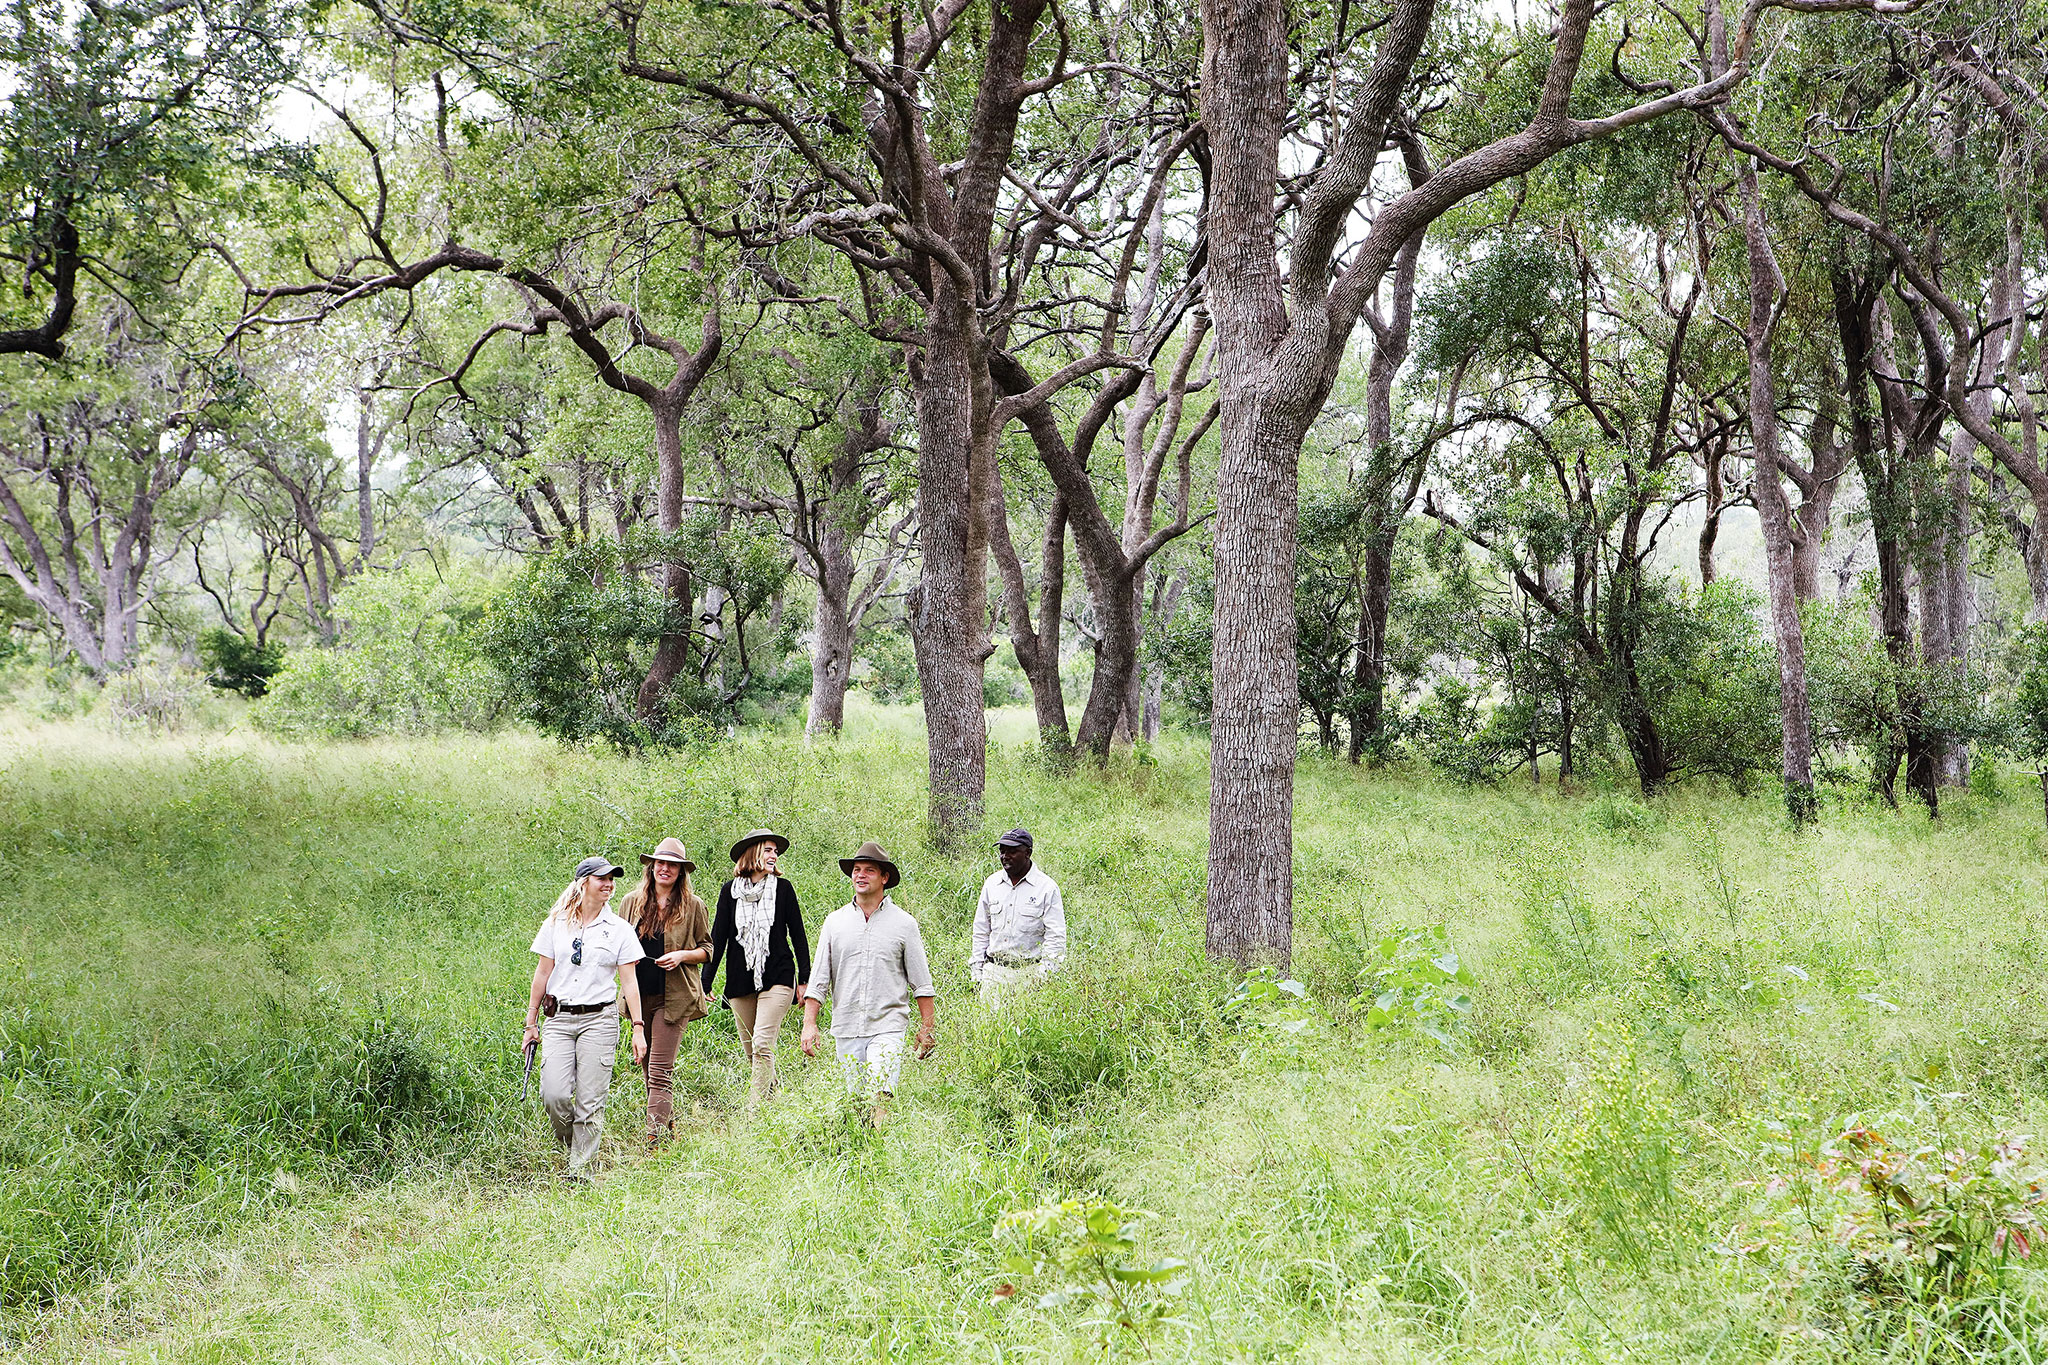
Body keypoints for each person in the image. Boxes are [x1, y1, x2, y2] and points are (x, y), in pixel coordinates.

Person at [522, 856, 647, 1178]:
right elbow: (542, 973)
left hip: (600, 1020)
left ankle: (580, 1171)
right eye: (601, 878)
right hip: (559, 1019)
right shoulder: (556, 924)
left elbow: (629, 982)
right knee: (555, 1095)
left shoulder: (619, 929)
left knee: (590, 1101)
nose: (609, 884)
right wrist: (531, 1022)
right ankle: (573, 1146)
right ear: (583, 883)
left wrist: (637, 1026)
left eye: (612, 879)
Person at [800, 840, 935, 1126]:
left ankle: (879, 1146)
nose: (860, 875)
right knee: (855, 1101)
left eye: (869, 870)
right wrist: (809, 1024)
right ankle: (861, 1155)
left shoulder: (904, 924)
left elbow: (921, 983)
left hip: (888, 1025)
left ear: (884, 877)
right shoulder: (835, 922)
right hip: (846, 1026)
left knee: (881, 1091)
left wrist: (927, 1029)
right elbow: (819, 979)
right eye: (856, 870)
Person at [703, 828, 810, 1108]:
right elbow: (719, 937)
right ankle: (776, 1101)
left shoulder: (783, 890)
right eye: (768, 849)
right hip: (740, 980)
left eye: (776, 851)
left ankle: (754, 1113)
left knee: (763, 1045)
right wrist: (706, 981)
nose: (774, 855)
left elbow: (798, 935)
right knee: (753, 1052)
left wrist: (805, 980)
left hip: (778, 976)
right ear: (752, 854)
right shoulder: (730, 892)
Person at [616, 837, 713, 1140]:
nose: (665, 869)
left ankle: (653, 1143)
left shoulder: (693, 906)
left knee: (659, 1072)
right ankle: (668, 1128)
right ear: (652, 866)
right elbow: (616, 945)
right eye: (661, 862)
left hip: (674, 998)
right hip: (638, 997)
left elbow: (708, 948)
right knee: (648, 1073)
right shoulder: (631, 902)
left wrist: (682, 955)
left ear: (681, 871)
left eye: (672, 864)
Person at [969, 826, 1066, 1006]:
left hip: (1030, 975)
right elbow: (981, 930)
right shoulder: (992, 884)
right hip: (994, 974)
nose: (1005, 856)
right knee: (990, 1030)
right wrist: (977, 971)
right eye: (1002, 851)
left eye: (1012, 852)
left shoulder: (1046, 888)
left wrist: (1043, 976)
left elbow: (1056, 936)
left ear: (1028, 853)